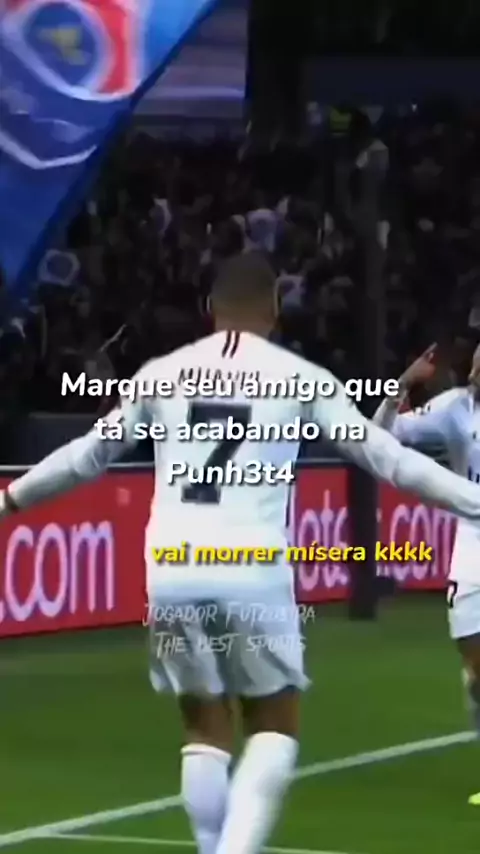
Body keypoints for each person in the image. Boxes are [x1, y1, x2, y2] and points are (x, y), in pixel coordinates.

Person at [4, 254, 480, 853]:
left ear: (210, 310)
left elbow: (84, 457)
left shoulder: (162, 373)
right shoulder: (298, 376)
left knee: (202, 728)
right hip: (250, 564)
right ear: (275, 310)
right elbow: (391, 459)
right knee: (274, 727)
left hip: (171, 567)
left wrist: (11, 499)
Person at [373, 341, 480, 806]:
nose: (474, 372)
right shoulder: (456, 409)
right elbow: (381, 436)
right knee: (475, 672)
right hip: (473, 550)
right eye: (475, 364)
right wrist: (402, 385)